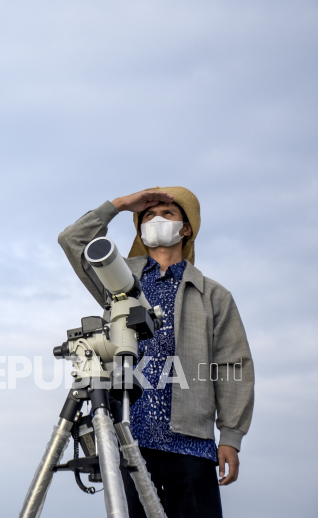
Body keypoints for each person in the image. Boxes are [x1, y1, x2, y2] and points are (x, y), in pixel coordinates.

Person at [57, 187, 254, 518]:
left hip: (191, 443)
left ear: (186, 228)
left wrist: (230, 437)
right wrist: (119, 206)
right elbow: (72, 240)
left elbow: (233, 366)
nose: (157, 219)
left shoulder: (213, 296)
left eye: (168, 214)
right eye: (148, 216)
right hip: (128, 438)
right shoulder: (118, 278)